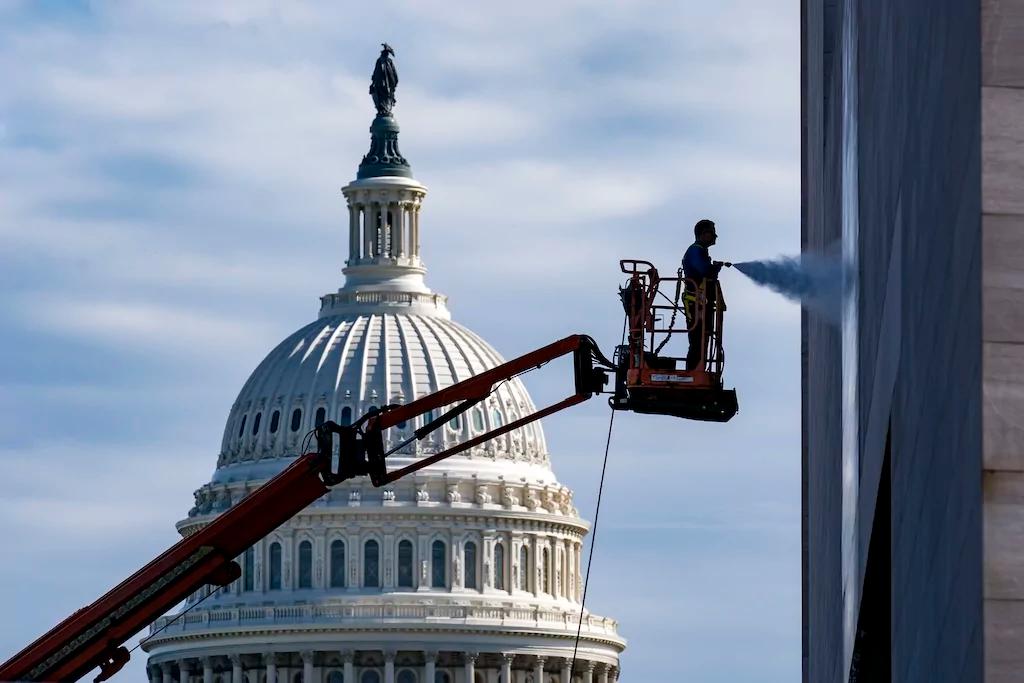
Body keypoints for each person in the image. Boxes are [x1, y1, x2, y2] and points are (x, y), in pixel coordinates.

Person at [682, 219, 731, 370]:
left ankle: (697, 370)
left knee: (704, 337)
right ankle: (693, 372)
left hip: (702, 303)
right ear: (703, 234)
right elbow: (703, 270)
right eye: (712, 233)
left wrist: (714, 266)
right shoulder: (695, 250)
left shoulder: (699, 251)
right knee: (698, 340)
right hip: (696, 303)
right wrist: (714, 268)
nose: (716, 237)